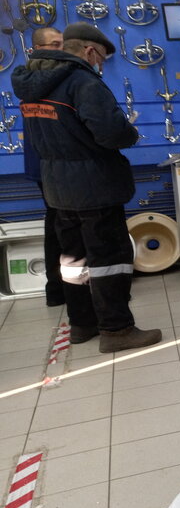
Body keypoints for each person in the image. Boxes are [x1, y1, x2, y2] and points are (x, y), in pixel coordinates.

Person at [11, 23, 161, 353]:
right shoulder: (82, 82)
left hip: (56, 185)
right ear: (89, 51)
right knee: (109, 258)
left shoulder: (31, 83)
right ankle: (117, 330)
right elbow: (111, 133)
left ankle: (82, 324)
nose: (101, 65)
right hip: (94, 185)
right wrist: (130, 133)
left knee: (73, 259)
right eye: (102, 58)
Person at [24, 27, 65, 307]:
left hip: (45, 163)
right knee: (64, 228)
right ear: (37, 48)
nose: (61, 49)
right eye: (55, 44)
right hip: (56, 165)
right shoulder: (52, 81)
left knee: (56, 224)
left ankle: (57, 289)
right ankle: (66, 289)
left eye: (62, 44)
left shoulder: (28, 81)